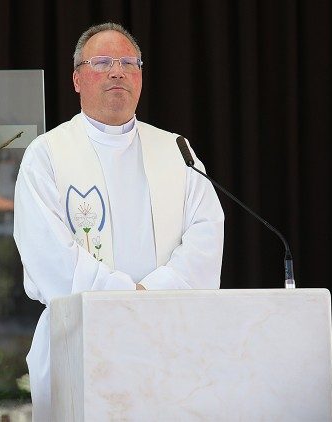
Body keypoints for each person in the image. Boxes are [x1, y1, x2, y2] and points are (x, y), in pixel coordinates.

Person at [13, 22, 224, 420]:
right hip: (82, 342)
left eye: (129, 62)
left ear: (140, 76)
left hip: (169, 341)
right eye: (103, 62)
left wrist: (150, 295)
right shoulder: (47, 155)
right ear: (76, 78)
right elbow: (47, 255)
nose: (118, 71)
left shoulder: (176, 150)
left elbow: (206, 234)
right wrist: (127, 301)